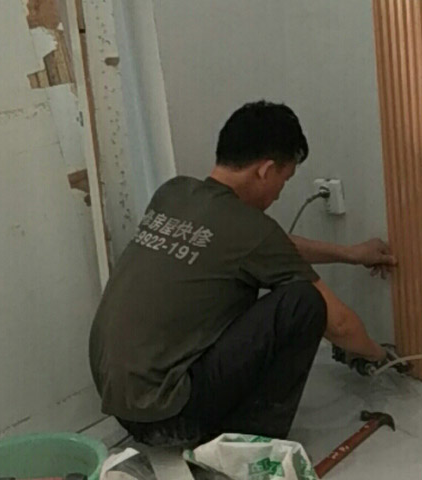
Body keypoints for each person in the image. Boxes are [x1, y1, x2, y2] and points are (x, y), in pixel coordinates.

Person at [89, 101, 395, 446]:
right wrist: (379, 355)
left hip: (121, 403)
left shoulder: (175, 193)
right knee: (304, 302)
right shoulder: (252, 231)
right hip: (172, 416)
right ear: (265, 170)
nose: (279, 193)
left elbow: (271, 246)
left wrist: (350, 254)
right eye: (284, 179)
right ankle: (251, 442)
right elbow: (339, 324)